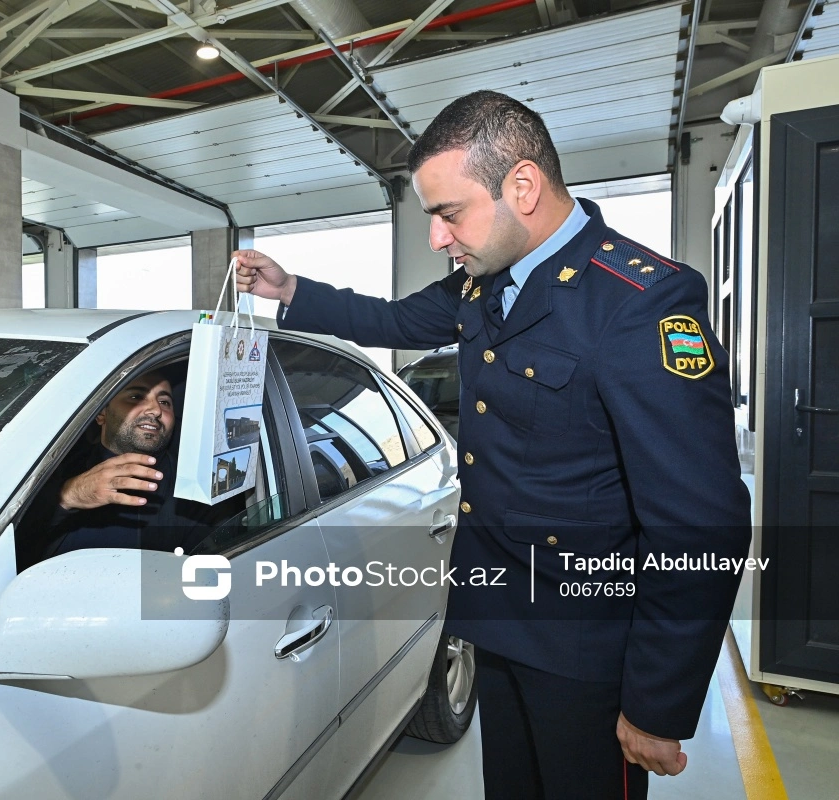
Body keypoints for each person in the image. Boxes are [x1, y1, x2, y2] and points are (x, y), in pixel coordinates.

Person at [234, 90, 750, 800]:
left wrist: (657, 703)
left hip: (586, 646)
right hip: (500, 615)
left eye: (449, 214)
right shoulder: (485, 283)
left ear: (524, 186)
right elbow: (394, 319)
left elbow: (701, 522)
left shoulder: (638, 303)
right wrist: (289, 287)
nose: (438, 239)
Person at [24, 368, 215, 560]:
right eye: (136, 397)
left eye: (164, 402)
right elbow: (13, 548)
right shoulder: (49, 469)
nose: (156, 410)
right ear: (101, 414)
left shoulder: (193, 489)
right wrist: (69, 495)